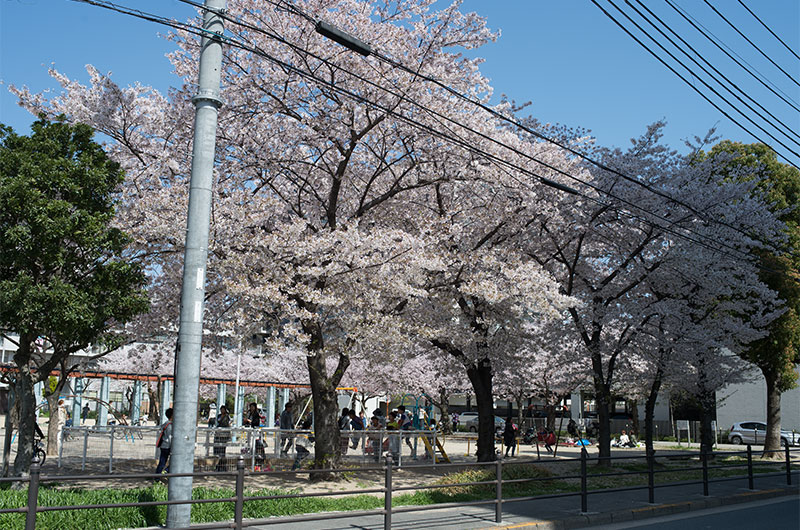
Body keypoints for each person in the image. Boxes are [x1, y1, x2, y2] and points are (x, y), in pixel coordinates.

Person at [155, 408, 173, 475]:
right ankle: (164, 472)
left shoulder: (166, 424)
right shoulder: (169, 426)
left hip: (164, 446)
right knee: (173, 462)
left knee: (162, 462)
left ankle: (158, 476)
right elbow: (170, 437)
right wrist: (173, 447)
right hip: (167, 446)